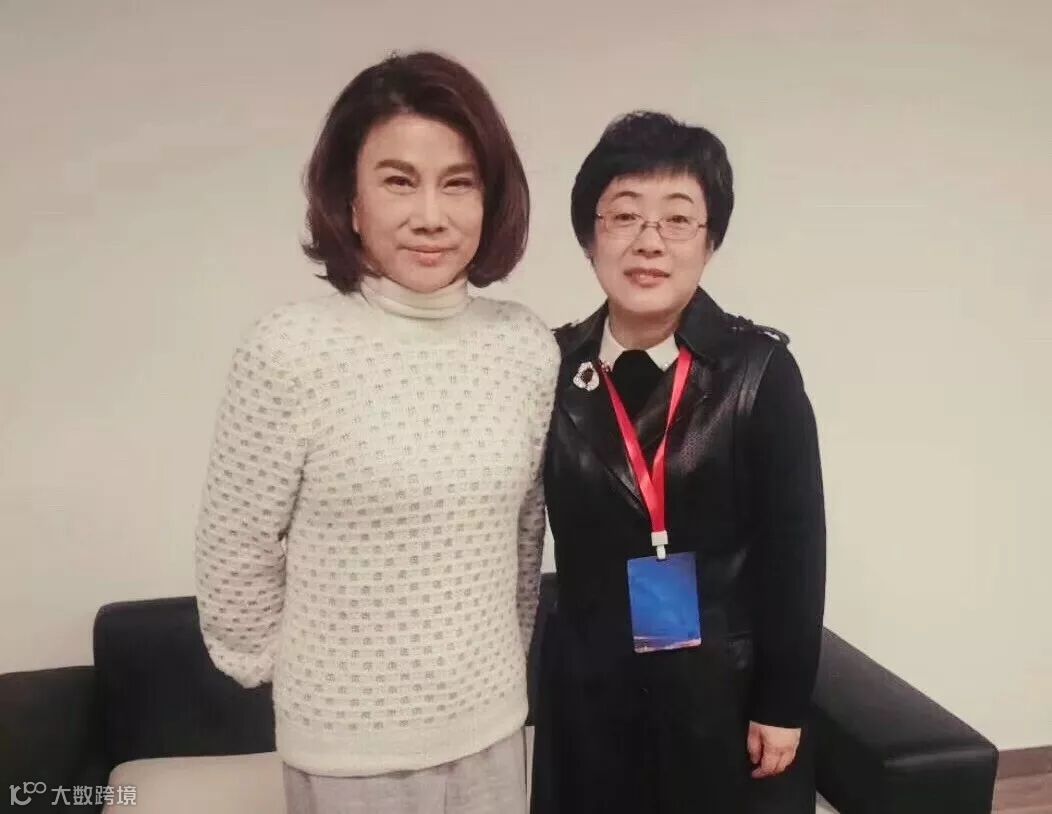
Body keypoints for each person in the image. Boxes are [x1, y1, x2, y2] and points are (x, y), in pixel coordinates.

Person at [194, 51, 559, 814]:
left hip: (492, 726)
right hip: (347, 750)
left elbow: (526, 535)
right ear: (350, 200)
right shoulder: (290, 348)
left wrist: (494, 668)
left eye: (458, 183)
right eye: (399, 181)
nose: (430, 215)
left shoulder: (525, 346)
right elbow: (235, 549)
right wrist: (310, 679)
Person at [532, 111, 826, 813]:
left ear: (710, 240)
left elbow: (797, 550)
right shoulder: (548, 368)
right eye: (624, 215)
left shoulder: (758, 373)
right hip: (588, 698)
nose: (649, 242)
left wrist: (782, 703)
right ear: (589, 236)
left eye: (677, 219)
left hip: (720, 696)